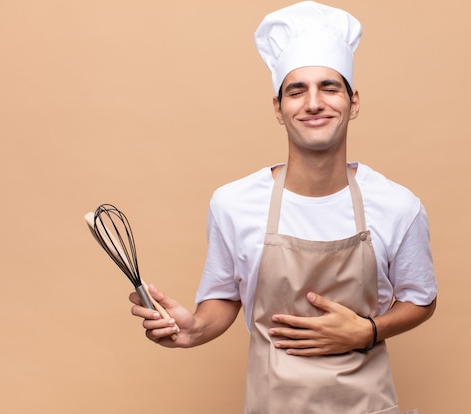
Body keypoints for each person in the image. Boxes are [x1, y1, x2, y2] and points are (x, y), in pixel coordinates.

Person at [130, 1, 437, 413]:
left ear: (354, 102)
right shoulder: (234, 204)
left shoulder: (397, 205)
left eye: (329, 87)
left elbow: (421, 298)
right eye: (297, 90)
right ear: (279, 108)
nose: (313, 103)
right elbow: (224, 296)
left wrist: (367, 331)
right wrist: (194, 330)